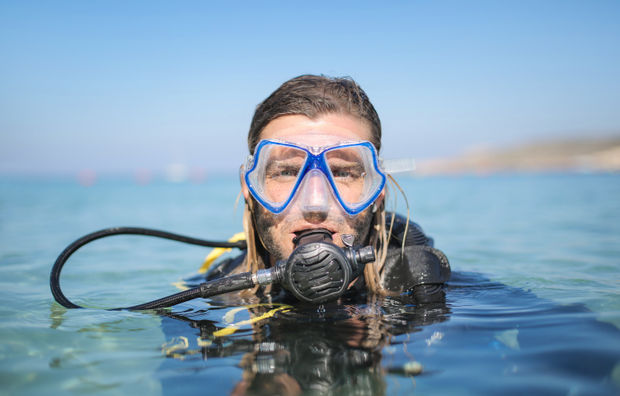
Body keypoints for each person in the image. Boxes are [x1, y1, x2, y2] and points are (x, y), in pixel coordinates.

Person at [203, 74, 450, 303]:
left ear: (377, 189)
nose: (315, 205)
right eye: (287, 172)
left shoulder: (423, 292)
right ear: (250, 186)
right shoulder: (217, 293)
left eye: (342, 172)